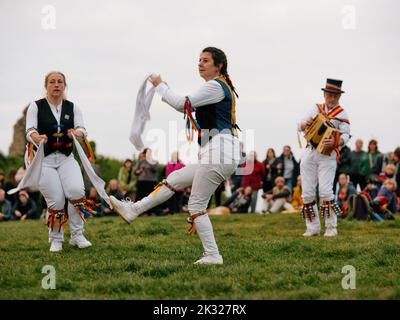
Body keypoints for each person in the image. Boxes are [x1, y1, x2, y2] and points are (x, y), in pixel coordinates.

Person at [110, 47, 241, 265]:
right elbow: (185, 105)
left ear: (218, 66)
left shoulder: (215, 86)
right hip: (218, 150)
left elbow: (183, 104)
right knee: (174, 180)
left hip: (220, 150)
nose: (200, 63)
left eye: (206, 60)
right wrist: (164, 88)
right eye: (199, 60)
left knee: (196, 205)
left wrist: (160, 85)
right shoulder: (217, 87)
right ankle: (134, 209)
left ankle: (213, 255)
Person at [25, 71, 95, 252]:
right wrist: (37, 138)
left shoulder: (72, 107)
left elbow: (82, 129)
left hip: (65, 157)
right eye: (52, 82)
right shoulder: (36, 106)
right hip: (44, 160)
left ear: (64, 85)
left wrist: (77, 132)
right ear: (46, 85)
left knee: (76, 191)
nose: (56, 85)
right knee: (56, 201)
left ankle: (77, 235)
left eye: (60, 82)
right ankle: (56, 238)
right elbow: (29, 130)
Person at [298, 78, 350, 237]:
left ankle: (331, 227)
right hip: (310, 151)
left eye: (335, 95)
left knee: (326, 192)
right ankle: (312, 227)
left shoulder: (342, 113)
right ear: (324, 94)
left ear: (339, 96)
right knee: (306, 192)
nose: (332, 98)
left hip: (328, 155)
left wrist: (336, 141)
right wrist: (303, 124)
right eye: (329, 95)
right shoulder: (315, 108)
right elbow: (300, 124)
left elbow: (347, 134)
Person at [134, 148, 160, 215]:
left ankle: (151, 212)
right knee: (140, 197)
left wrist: (148, 162)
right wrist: (139, 171)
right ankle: (139, 212)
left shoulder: (154, 161)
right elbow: (135, 172)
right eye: (146, 153)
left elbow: (156, 169)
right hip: (141, 181)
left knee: (151, 197)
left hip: (152, 182)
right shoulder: (140, 161)